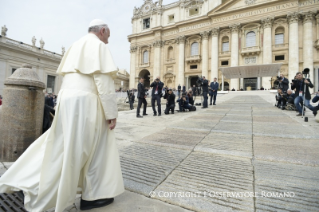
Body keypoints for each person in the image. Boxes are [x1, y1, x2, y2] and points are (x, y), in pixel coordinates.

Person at [0, 19, 125, 212]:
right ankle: (93, 195)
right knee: (95, 148)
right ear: (102, 31)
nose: (108, 40)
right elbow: (102, 80)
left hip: (67, 98)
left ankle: (27, 179)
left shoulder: (75, 45)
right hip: (87, 100)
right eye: (108, 35)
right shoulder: (98, 46)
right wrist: (111, 112)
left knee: (58, 144)